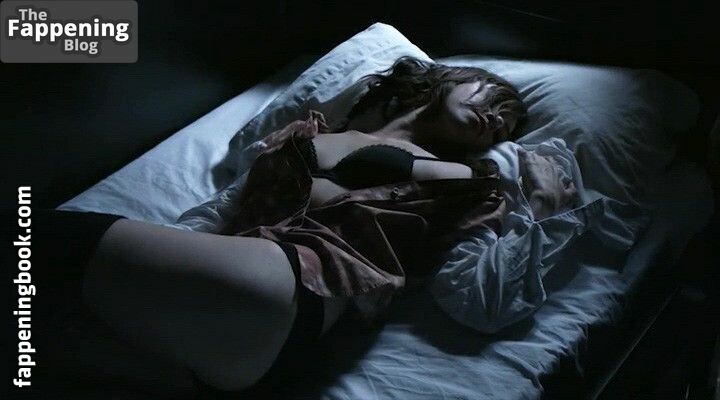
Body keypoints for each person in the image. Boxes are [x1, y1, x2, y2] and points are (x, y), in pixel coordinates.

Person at [26, 57, 573, 396]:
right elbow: (218, 212)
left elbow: (480, 302)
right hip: (226, 330)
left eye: (505, 124)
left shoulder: (471, 184)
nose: (496, 118)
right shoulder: (304, 134)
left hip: (290, 293)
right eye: (493, 99)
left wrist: (544, 211)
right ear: (450, 79)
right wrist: (171, 263)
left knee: (33, 238)